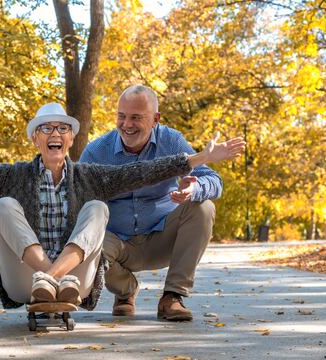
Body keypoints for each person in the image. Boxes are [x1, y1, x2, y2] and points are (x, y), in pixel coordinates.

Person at [0, 102, 244, 311]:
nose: (54, 134)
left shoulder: (92, 175)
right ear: (35, 140)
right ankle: (48, 276)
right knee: (4, 204)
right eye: (46, 129)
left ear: (71, 140)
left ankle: (57, 278)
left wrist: (195, 159)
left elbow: (146, 171)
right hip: (25, 279)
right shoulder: (12, 175)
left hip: (78, 281)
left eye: (62, 129)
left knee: (97, 208)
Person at [80, 84, 229, 321]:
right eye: (122, 116)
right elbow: (79, 204)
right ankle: (126, 290)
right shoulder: (96, 151)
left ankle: (172, 297)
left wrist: (195, 188)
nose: (127, 124)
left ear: (155, 119)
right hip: (116, 242)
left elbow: (214, 180)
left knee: (204, 207)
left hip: (162, 237)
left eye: (136, 117)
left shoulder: (171, 141)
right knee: (83, 242)